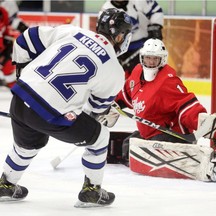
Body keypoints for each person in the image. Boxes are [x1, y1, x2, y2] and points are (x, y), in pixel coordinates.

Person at [0, 8, 132, 207]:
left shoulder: (73, 32)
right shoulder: (114, 69)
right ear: (121, 36)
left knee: (27, 144)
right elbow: (95, 111)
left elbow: (27, 37)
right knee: (100, 136)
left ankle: (6, 184)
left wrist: (22, 71)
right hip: (52, 115)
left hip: (20, 98)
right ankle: (92, 190)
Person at [113, 38, 216, 181]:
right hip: (149, 135)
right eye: (148, 58)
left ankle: (202, 161)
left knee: (141, 149)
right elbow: (127, 94)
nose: (150, 62)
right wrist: (112, 104)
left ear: (162, 60)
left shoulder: (167, 81)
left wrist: (203, 122)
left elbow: (185, 105)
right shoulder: (137, 72)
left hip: (172, 135)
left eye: (155, 59)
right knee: (129, 145)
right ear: (141, 57)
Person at [99, 0, 164, 79]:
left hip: (141, 44)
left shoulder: (139, 1)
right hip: (119, 49)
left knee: (144, 76)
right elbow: (103, 36)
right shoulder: (106, 10)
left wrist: (155, 26)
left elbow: (156, 10)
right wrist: (113, 54)